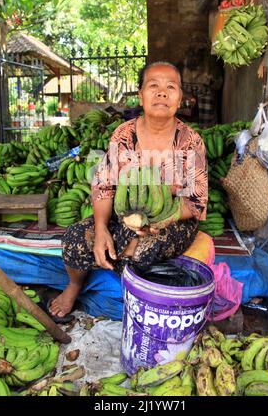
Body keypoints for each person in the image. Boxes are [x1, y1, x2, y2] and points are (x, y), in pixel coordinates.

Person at [49, 61, 208, 319]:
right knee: (75, 240)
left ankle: (138, 290)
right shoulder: (123, 135)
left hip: (172, 220)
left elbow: (196, 203)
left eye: (171, 87)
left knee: (141, 251)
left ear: (180, 98)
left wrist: (161, 221)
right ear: (141, 95)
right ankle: (75, 285)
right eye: (153, 85)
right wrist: (101, 229)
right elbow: (104, 185)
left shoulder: (190, 142)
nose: (162, 92)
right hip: (125, 214)